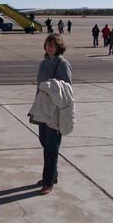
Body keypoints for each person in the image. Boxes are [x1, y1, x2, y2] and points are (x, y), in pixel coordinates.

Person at [35, 34, 73, 195]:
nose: (50, 47)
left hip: (55, 111)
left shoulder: (62, 64)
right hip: (43, 110)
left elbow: (67, 88)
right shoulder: (43, 63)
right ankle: (53, 175)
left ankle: (48, 181)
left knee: (51, 147)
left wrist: (51, 87)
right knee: (44, 141)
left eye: (53, 45)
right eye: (48, 44)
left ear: (58, 47)